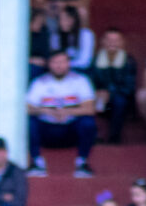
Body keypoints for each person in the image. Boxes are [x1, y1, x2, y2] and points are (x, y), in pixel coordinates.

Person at [25, 50, 98, 179]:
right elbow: (28, 107)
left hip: (70, 129)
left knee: (88, 122)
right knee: (29, 122)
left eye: (62, 62)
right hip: (47, 129)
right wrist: (46, 111)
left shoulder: (80, 80)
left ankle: (82, 163)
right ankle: (37, 163)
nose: (59, 66)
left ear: (68, 63)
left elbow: (90, 108)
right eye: (55, 62)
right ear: (49, 64)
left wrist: (68, 111)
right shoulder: (39, 82)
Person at [88, 28, 138, 144]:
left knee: (119, 101)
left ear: (122, 43)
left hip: (120, 102)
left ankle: (114, 138)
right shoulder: (95, 60)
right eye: (109, 40)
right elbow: (90, 82)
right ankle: (94, 136)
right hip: (99, 99)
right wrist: (97, 93)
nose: (112, 43)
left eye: (116, 40)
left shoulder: (129, 61)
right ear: (103, 42)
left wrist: (109, 93)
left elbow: (129, 88)